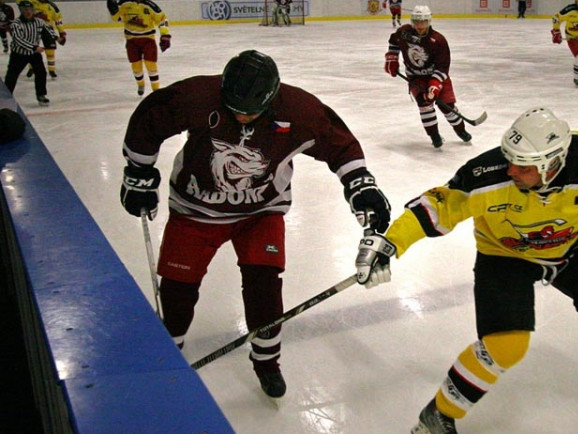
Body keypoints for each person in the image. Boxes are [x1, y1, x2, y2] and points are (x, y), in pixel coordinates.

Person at [355, 107, 578, 433]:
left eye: (522, 165)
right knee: (505, 346)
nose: (510, 168)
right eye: (509, 157)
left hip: (571, 247)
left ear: (551, 164)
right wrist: (391, 244)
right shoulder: (488, 174)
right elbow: (438, 206)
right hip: (503, 256)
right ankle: (438, 415)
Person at [119, 50, 391, 402]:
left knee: (264, 286)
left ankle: (267, 362)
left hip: (262, 213)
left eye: (252, 109)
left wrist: (360, 184)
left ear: (273, 97)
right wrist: (138, 171)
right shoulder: (198, 97)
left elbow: (339, 143)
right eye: (235, 107)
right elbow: (149, 118)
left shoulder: (297, 110)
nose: (243, 116)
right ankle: (168, 354)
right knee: (177, 290)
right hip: (194, 210)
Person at [384, 5, 472, 149]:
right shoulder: (404, 32)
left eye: (423, 22)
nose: (420, 25)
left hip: (437, 77)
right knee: (424, 106)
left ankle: (460, 130)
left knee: (447, 107)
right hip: (415, 78)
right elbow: (394, 41)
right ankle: (434, 136)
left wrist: (435, 83)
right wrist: (392, 58)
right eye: (417, 21)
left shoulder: (438, 40)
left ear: (429, 21)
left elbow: (443, 66)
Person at [107, 0, 171, 96]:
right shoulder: (124, 3)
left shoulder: (150, 5)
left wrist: (165, 34)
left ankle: (156, 90)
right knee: (136, 65)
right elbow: (118, 18)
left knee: (151, 64)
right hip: (131, 40)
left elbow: (162, 19)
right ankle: (140, 84)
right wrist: (113, 11)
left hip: (148, 39)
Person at [3, 0, 55, 106]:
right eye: (25, 10)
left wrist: (53, 41)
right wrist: (34, 47)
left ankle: (41, 95)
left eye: (30, 9)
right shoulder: (16, 24)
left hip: (34, 55)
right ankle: (5, 97)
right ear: (21, 11)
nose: (28, 12)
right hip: (18, 54)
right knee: (12, 76)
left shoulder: (39, 22)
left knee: (41, 73)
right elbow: (18, 39)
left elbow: (48, 32)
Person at [20, 0, 65, 80]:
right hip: (33, 28)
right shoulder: (31, 2)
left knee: (50, 49)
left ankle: (51, 70)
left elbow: (58, 20)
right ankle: (32, 67)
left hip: (48, 29)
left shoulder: (53, 6)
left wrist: (62, 33)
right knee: (33, 48)